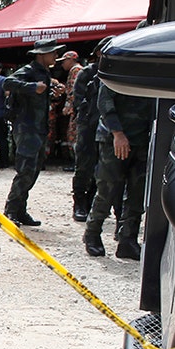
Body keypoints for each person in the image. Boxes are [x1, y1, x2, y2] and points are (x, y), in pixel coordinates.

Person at [82, 79, 155, 259]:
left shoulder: (155, 69)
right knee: (108, 189)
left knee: (138, 193)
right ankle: (92, 233)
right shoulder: (121, 66)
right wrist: (117, 133)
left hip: (143, 140)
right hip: (114, 138)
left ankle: (128, 239)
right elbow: (105, 102)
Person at [3, 39, 66, 227]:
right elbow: (8, 82)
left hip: (39, 129)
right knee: (25, 171)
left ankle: (20, 210)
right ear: (41, 54)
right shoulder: (29, 71)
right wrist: (33, 87)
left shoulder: (44, 73)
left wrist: (51, 92)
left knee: (34, 171)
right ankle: (11, 211)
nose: (55, 56)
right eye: (52, 53)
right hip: (26, 128)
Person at [71, 39, 112, 222]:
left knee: (101, 168)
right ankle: (79, 203)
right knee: (83, 167)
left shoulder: (112, 74)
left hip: (105, 128)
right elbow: (78, 101)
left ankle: (91, 202)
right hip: (88, 127)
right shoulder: (88, 73)